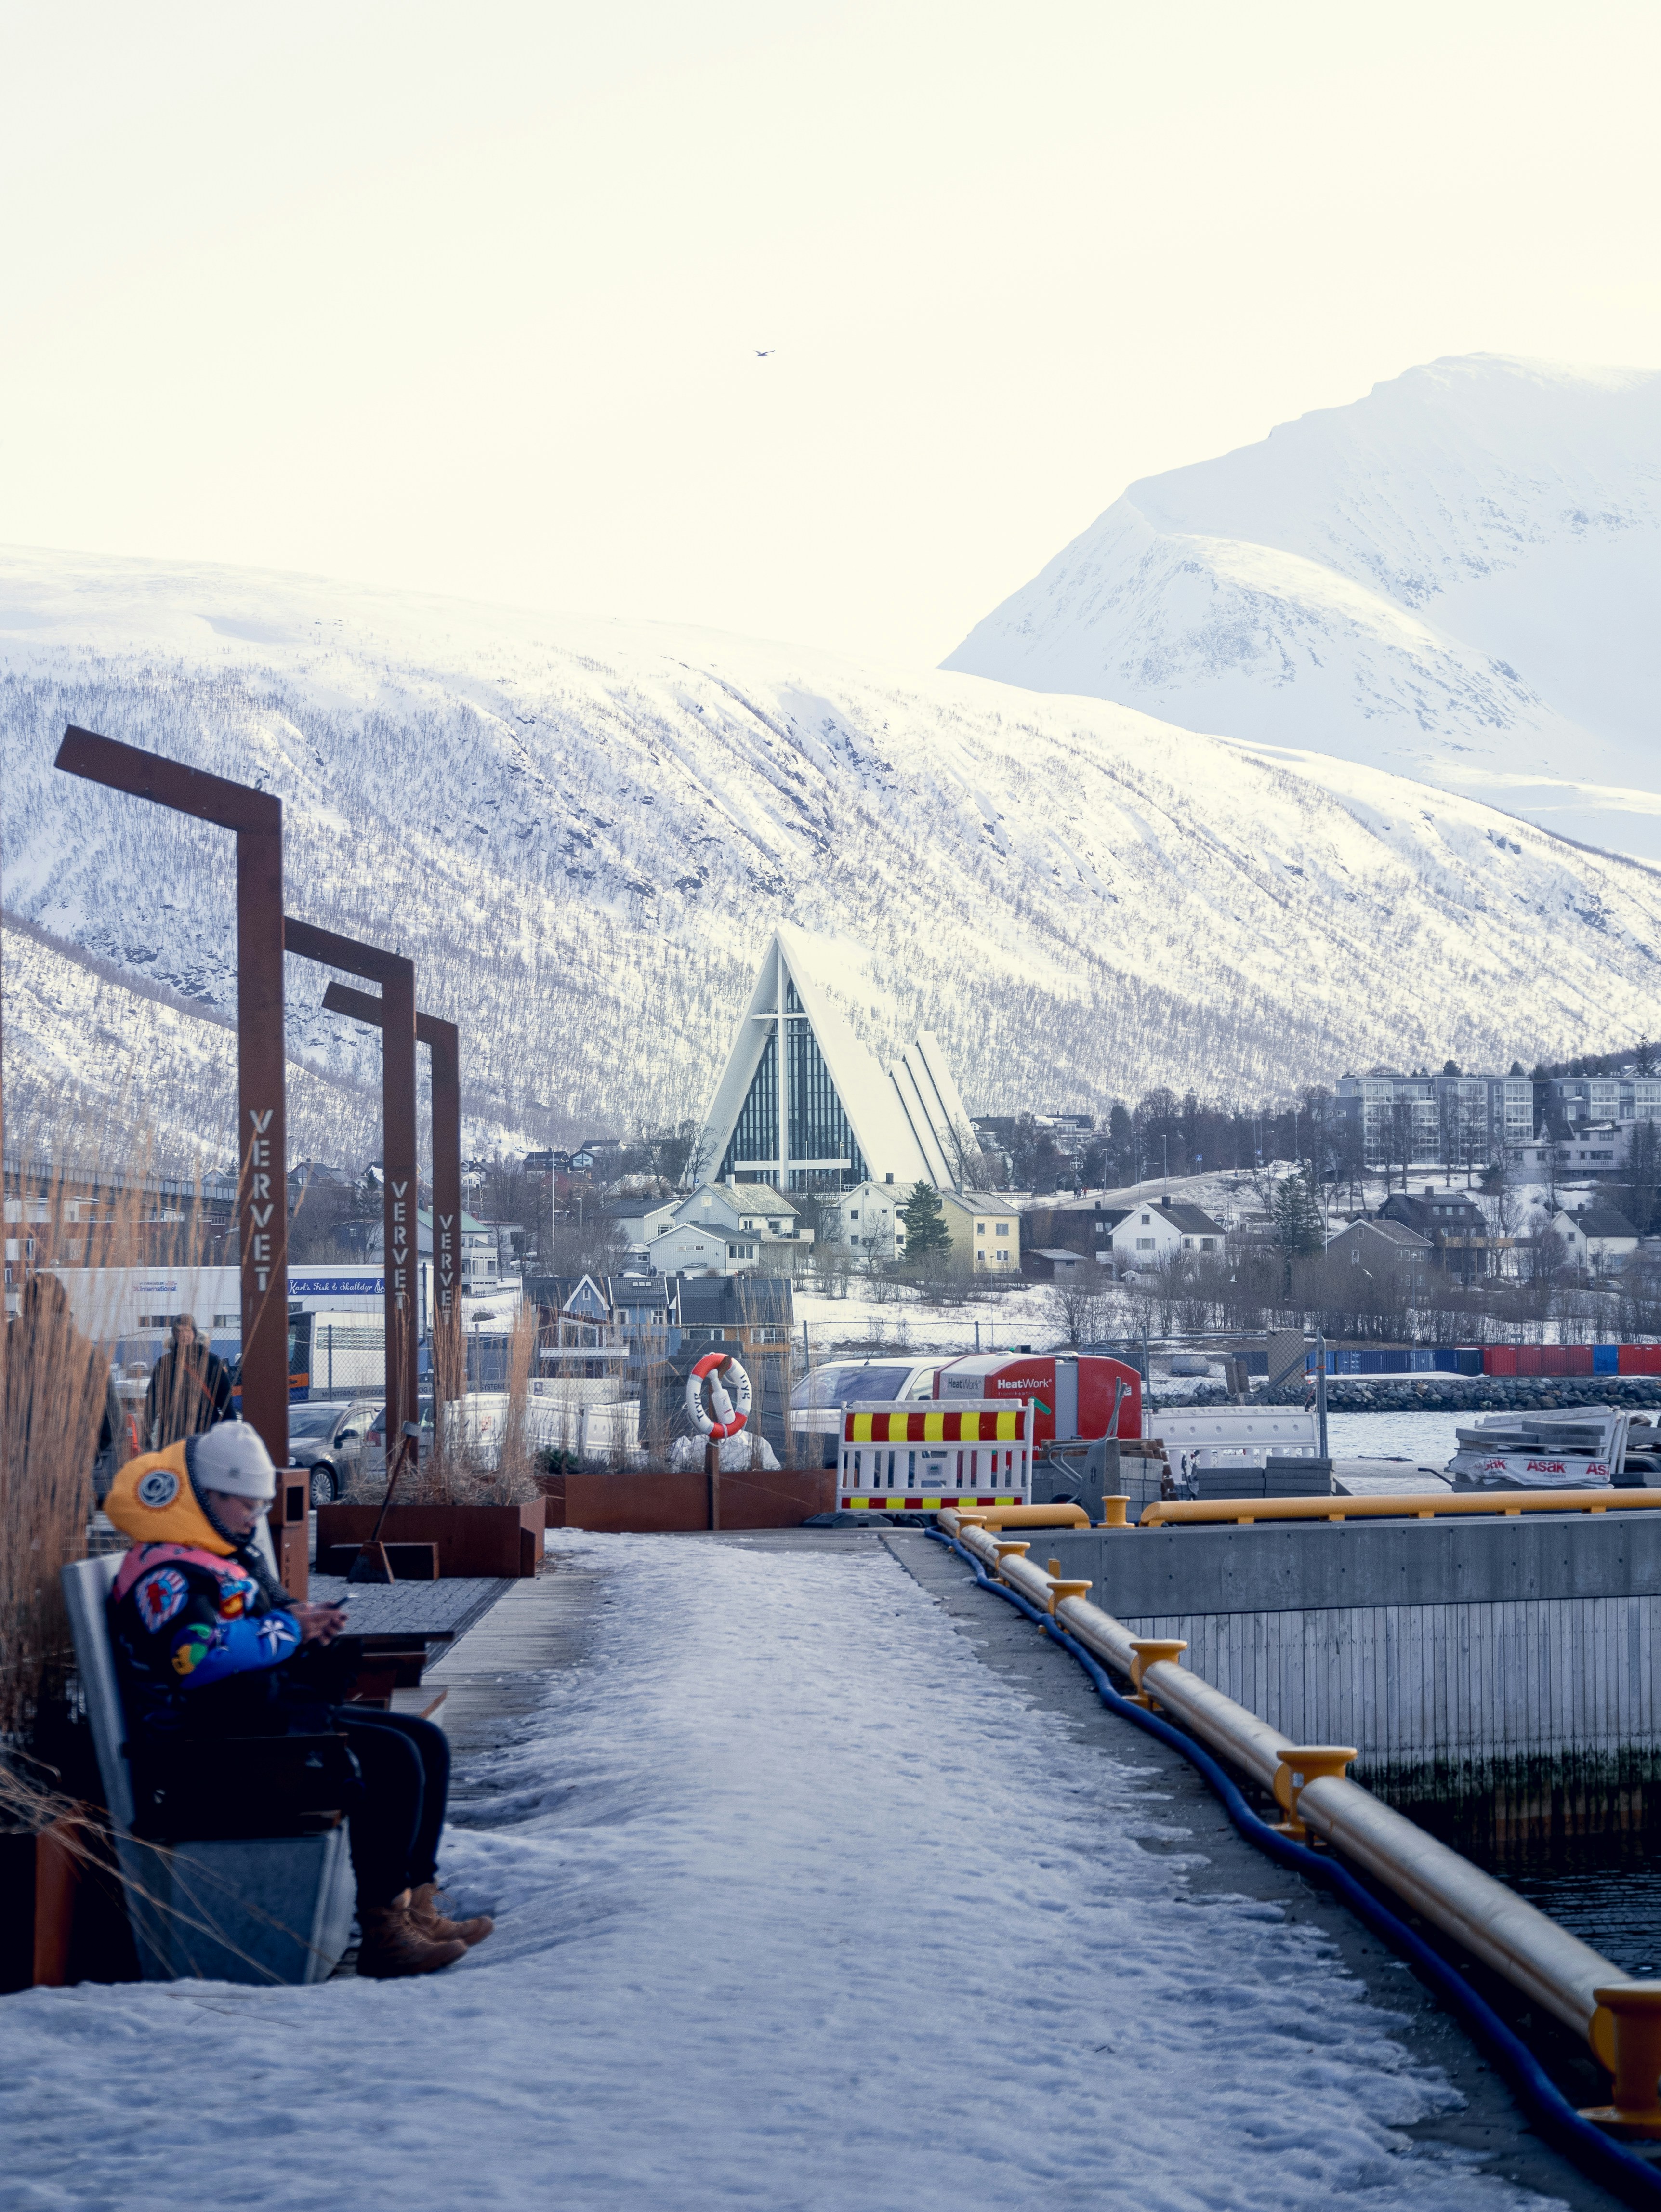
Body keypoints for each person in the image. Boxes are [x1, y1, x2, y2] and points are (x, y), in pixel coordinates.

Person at [103, 1422, 492, 1978]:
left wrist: (301, 1623)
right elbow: (195, 1658)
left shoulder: (211, 1553)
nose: (254, 1516)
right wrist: (288, 1631)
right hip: (204, 1748)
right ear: (204, 1497)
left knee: (424, 1740)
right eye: (246, 1504)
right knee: (392, 1757)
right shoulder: (166, 1573)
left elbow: (245, 1633)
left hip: (247, 1722)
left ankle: (416, 1906)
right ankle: (385, 1930)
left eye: (263, 1504)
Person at [144, 1313, 234, 1447]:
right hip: (171, 1433)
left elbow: (225, 1397)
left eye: (187, 1330)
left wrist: (231, 1432)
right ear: (174, 1335)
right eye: (179, 1331)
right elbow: (153, 1400)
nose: (184, 1335)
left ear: (194, 1333)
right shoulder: (165, 1364)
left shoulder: (211, 1361)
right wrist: (146, 1433)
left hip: (204, 1431)